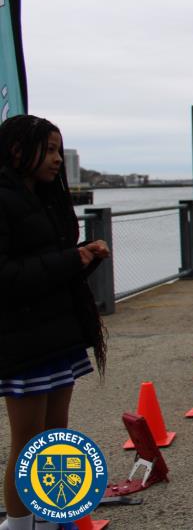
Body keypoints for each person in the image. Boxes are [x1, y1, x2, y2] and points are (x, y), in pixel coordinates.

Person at [0, 115, 110, 530]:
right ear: (16, 151)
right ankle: (17, 524)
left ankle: (48, 520)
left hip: (57, 334)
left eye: (58, 151)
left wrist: (83, 258)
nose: (56, 159)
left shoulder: (46, 198)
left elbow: (47, 268)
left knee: (54, 437)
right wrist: (70, 259)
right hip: (22, 341)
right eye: (48, 150)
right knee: (27, 440)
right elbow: (6, 277)